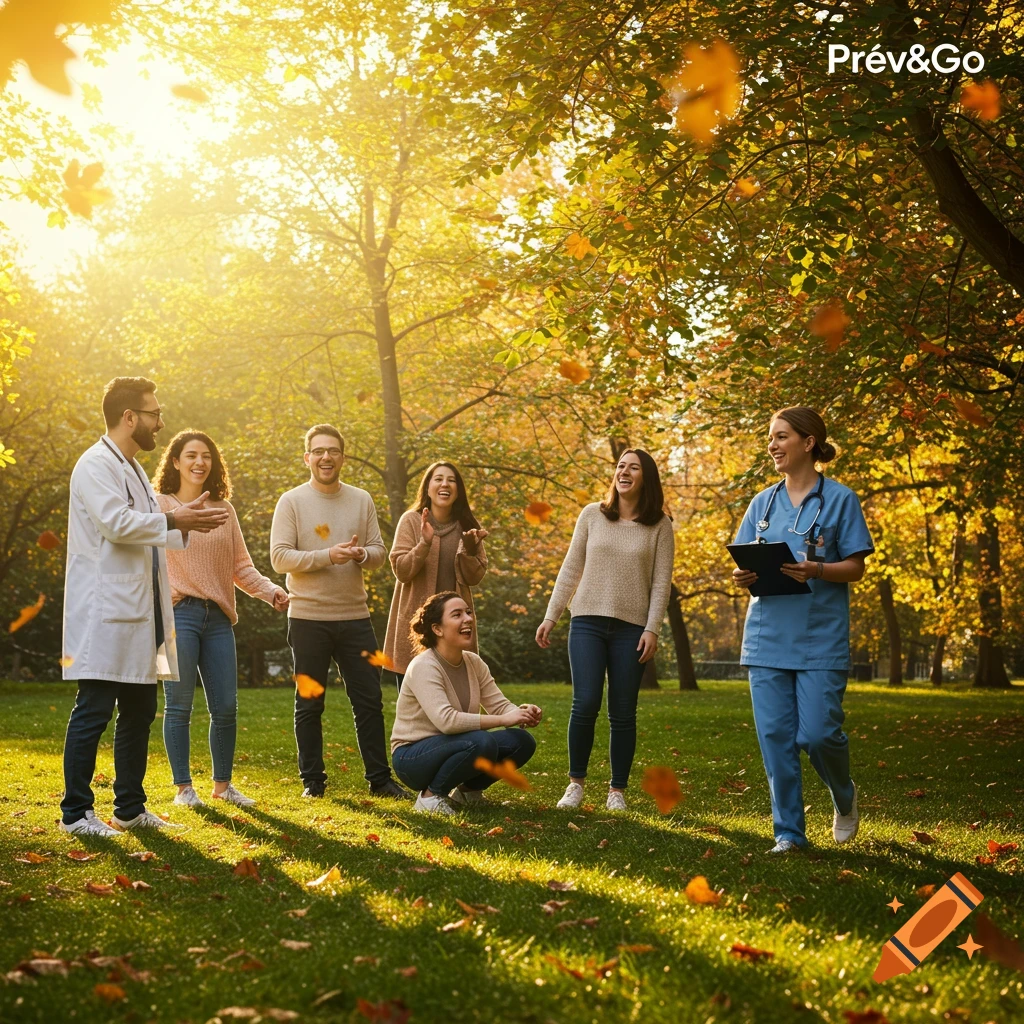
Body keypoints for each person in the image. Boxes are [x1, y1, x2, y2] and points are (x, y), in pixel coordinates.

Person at [60, 377, 229, 837]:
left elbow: (148, 527)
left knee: (139, 711)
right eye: (154, 414)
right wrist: (176, 518)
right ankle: (75, 814)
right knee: (94, 709)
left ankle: (130, 808)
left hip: (145, 610)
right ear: (129, 416)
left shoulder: (133, 467)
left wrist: (186, 523)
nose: (160, 422)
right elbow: (116, 524)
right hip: (106, 610)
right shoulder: (95, 464)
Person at [731, 406, 874, 854]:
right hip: (767, 635)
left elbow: (856, 567)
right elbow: (743, 557)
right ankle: (789, 833)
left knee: (818, 735)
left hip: (819, 636)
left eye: (781, 437)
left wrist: (817, 569)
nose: (772, 445)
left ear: (808, 442)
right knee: (776, 740)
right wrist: (741, 576)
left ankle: (843, 793)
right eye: (770, 437)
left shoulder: (841, 499)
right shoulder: (762, 503)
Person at [270, 423, 410, 800]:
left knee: (369, 701)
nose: (326, 457)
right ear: (307, 458)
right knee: (309, 703)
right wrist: (328, 555)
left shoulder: (361, 499)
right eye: (318, 451)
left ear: (343, 458)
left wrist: (362, 554)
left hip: (355, 618)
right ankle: (313, 782)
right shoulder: (291, 501)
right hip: (307, 619)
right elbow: (280, 558)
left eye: (332, 450)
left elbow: (379, 552)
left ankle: (380, 780)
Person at [153, 430, 290, 808]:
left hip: (217, 619)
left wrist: (271, 591)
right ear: (175, 461)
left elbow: (240, 566)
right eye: (191, 455)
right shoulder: (159, 505)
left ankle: (222, 786)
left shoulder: (224, 510)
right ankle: (184, 789)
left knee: (226, 707)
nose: (200, 462)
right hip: (175, 615)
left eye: (207, 456)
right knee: (178, 706)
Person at [536, 449, 674, 812]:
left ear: (646, 478)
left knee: (623, 711)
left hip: (633, 628)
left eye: (633, 468)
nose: (624, 472)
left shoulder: (660, 525)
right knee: (585, 704)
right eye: (620, 466)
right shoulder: (592, 515)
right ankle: (575, 785)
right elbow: (570, 568)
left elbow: (661, 583)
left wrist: (652, 629)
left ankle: (617, 791)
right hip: (587, 622)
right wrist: (551, 616)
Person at [391, 592, 542, 815]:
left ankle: (466, 793)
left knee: (521, 742)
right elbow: (447, 721)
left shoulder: (473, 662)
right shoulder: (424, 666)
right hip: (412, 758)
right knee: (481, 742)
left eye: (468, 612)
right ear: (437, 629)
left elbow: (499, 706)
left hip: (456, 745)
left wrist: (521, 713)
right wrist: (503, 719)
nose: (468, 619)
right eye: (457, 614)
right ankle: (430, 798)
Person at [384, 462, 488, 688]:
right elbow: (402, 571)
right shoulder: (411, 521)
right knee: (414, 700)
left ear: (458, 490)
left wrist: (469, 551)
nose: (445, 484)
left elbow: (474, 578)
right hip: (416, 627)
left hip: (454, 628)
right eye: (438, 479)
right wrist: (424, 543)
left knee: (457, 696)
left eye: (451, 480)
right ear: (428, 487)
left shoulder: (467, 525)